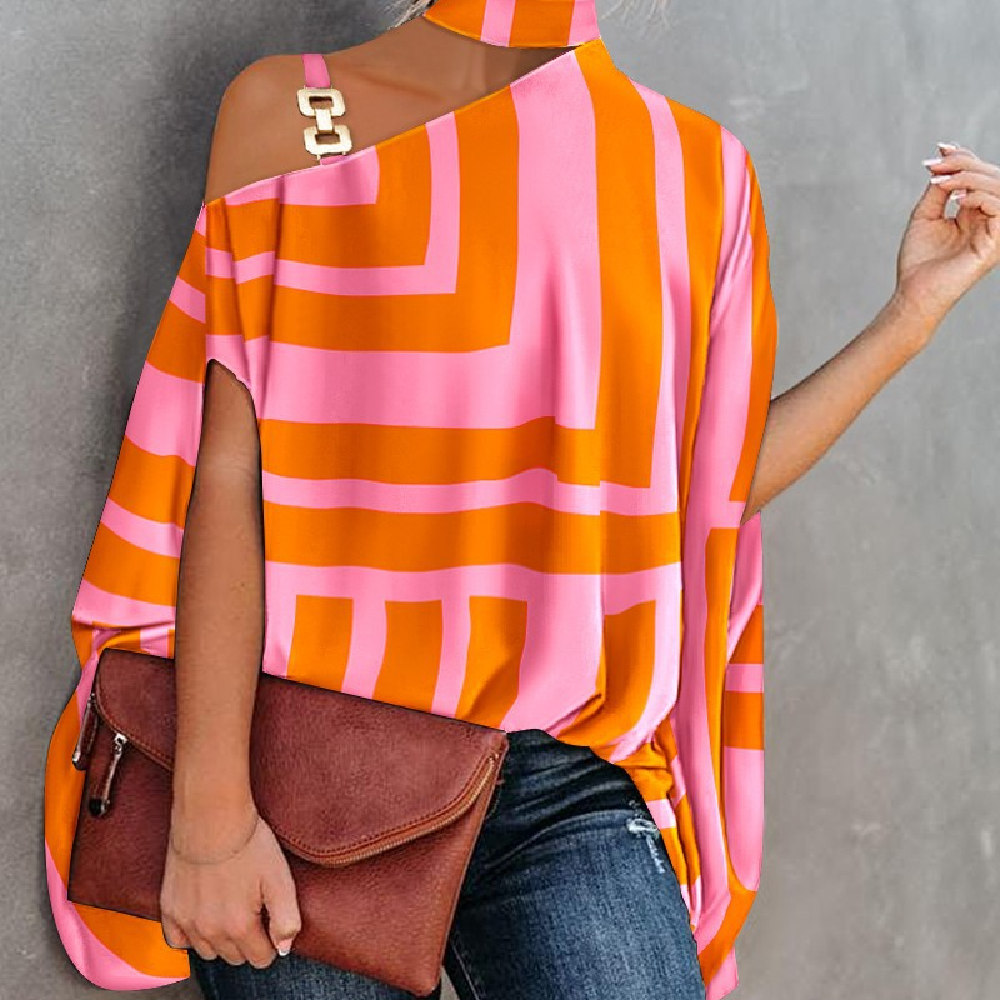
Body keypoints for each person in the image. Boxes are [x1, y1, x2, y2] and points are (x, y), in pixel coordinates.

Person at [42, 1, 1000, 999]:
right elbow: (224, 478)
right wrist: (208, 816)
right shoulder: (303, 110)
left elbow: (693, 501)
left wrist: (909, 317)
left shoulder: (697, 169)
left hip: (562, 779)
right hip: (300, 769)